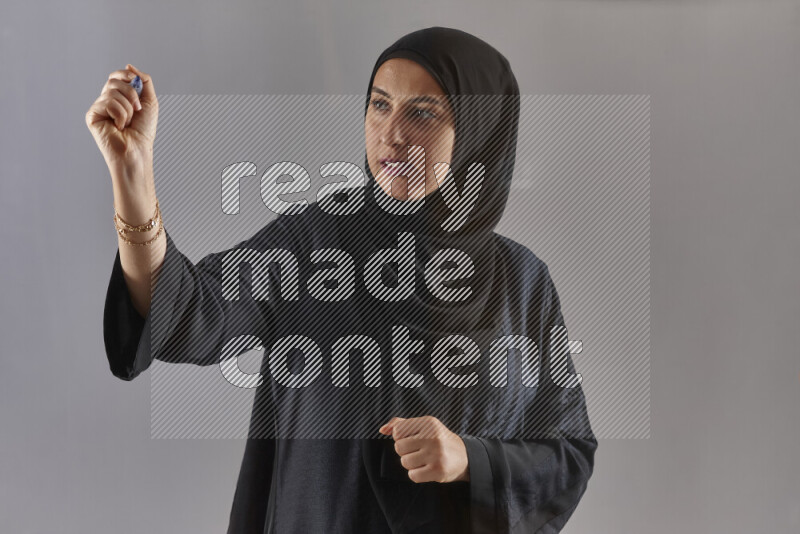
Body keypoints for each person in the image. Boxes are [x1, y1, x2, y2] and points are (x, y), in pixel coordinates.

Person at [87, 26, 597, 533]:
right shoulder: (313, 244)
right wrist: (134, 178)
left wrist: (470, 459)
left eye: (422, 113)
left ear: (479, 131)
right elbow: (187, 313)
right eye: (379, 105)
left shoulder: (522, 282)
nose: (392, 133)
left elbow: (567, 453)